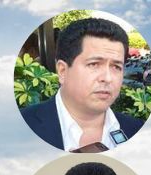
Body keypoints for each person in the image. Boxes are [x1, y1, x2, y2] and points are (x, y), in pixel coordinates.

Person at [20, 18, 144, 151]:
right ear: (62, 71)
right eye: (94, 64)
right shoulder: (21, 127)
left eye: (116, 67)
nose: (107, 78)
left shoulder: (137, 129)